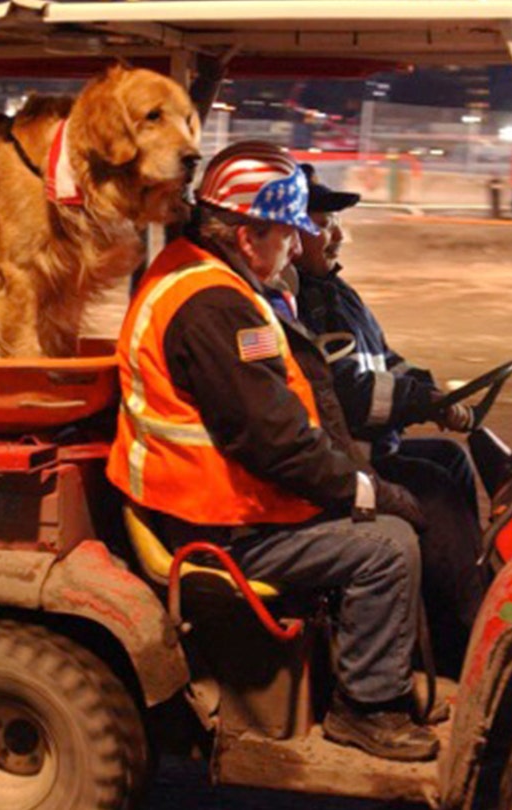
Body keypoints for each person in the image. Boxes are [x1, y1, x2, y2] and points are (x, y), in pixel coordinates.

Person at [107, 141, 439, 762]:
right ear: (246, 232)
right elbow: (274, 442)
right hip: (216, 521)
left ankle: (364, 673)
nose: (295, 246)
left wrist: (355, 482)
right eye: (287, 232)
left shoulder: (205, 276)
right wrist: (367, 491)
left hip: (220, 501)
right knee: (389, 547)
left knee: (381, 514)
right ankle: (365, 709)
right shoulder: (216, 306)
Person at [291, 164, 487, 676]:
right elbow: (350, 397)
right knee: (437, 490)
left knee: (451, 458)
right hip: (348, 462)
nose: (337, 234)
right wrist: (422, 403)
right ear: (290, 232)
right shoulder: (301, 308)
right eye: (323, 221)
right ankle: (463, 640)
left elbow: (387, 360)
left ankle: (452, 592)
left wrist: (435, 394)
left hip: (374, 449)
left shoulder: (338, 294)